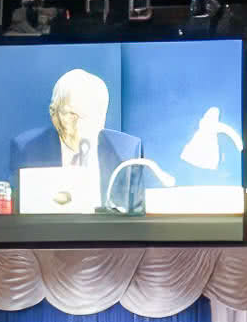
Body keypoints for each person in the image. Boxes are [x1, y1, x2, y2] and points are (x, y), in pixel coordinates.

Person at [9, 68, 145, 213]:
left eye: (90, 115)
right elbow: (11, 213)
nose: (80, 125)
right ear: (53, 113)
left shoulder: (127, 150)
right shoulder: (28, 148)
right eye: (72, 114)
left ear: (103, 116)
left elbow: (137, 216)